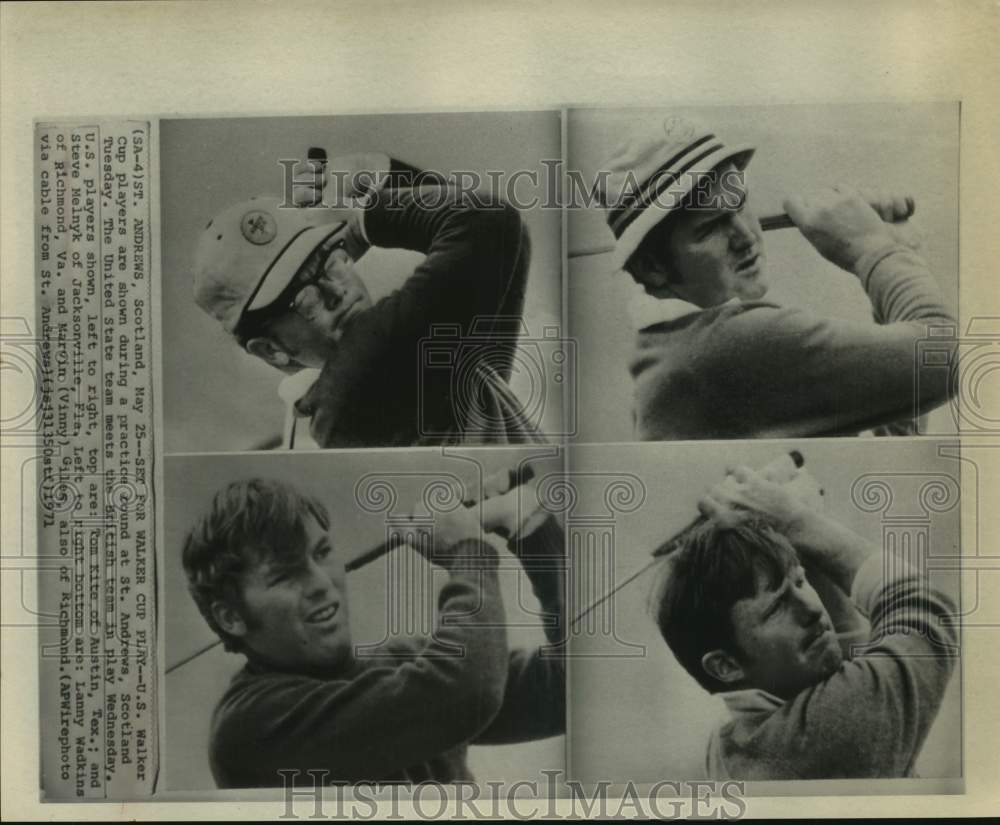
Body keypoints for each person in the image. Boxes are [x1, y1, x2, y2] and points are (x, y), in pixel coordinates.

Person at [181, 472, 565, 788]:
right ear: (231, 617)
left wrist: (532, 529)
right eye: (284, 574)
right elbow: (466, 691)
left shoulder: (401, 663)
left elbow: (566, 690)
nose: (321, 583)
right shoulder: (250, 728)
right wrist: (468, 552)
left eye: (322, 553)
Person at [595, 114, 958, 439]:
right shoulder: (728, 346)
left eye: (740, 205)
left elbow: (894, 418)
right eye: (710, 227)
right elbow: (947, 358)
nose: (745, 235)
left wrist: (894, 251)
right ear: (651, 268)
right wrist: (872, 248)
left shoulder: (675, 346)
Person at [192, 152, 543, 447]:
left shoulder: (416, 373)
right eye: (302, 296)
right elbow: (486, 223)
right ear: (270, 350)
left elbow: (509, 246)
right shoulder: (359, 379)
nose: (335, 291)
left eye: (330, 262)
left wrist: (384, 180)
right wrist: (365, 215)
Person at [653, 463, 958, 779]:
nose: (812, 609)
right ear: (725, 666)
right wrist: (798, 522)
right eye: (775, 609)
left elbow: (842, 663)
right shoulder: (821, 734)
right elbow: (926, 613)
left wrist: (795, 535)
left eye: (800, 582)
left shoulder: (727, 744)